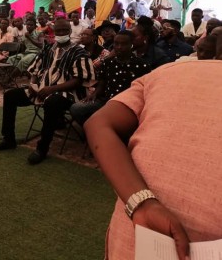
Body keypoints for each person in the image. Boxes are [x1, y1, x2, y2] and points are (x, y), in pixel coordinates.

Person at [84, 54, 222, 259]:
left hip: (135, 240)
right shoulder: (164, 72)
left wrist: (141, 204)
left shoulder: (165, 72)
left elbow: (98, 124)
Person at [0, 18, 95, 164]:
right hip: (41, 89)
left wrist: (51, 89)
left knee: (51, 102)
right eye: (58, 30)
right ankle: (8, 139)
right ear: (54, 32)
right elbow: (35, 69)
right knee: (10, 95)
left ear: (70, 31)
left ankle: (42, 149)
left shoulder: (79, 52)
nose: (61, 33)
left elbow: (78, 80)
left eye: (64, 30)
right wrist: (33, 84)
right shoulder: (48, 49)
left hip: (67, 93)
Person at [70, 31, 150, 127]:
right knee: (76, 108)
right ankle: (93, 128)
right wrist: (95, 93)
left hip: (128, 104)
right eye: (116, 43)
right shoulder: (108, 62)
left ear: (131, 44)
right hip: (107, 100)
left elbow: (145, 90)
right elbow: (102, 81)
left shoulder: (142, 65)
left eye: (124, 44)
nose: (119, 47)